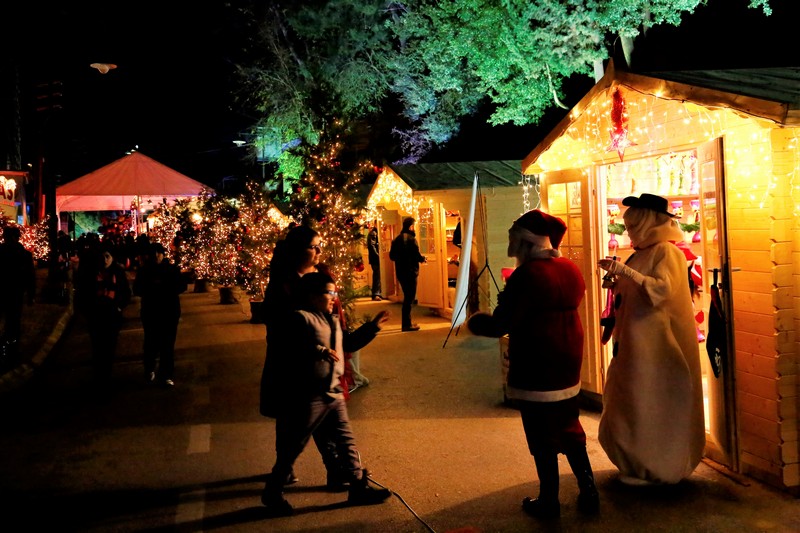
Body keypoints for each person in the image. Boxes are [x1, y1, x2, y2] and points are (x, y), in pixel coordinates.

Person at [467, 209, 599, 519]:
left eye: (514, 236)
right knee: (569, 423)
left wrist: (477, 324)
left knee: (540, 431)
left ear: (525, 242)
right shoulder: (570, 268)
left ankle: (549, 500)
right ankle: (589, 490)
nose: (509, 241)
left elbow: (503, 323)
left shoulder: (526, 275)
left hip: (538, 360)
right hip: (568, 358)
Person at [261, 271, 392, 516]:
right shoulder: (299, 318)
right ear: (311, 295)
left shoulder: (331, 319)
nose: (334, 297)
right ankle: (272, 492)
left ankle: (357, 486)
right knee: (293, 446)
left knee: (346, 441)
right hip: (309, 394)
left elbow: (348, 344)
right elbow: (290, 346)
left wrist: (372, 328)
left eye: (335, 292)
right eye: (328, 293)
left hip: (332, 391)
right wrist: (319, 350)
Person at [597, 193, 705, 486]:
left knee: (649, 401)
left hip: (654, 346)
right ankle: (634, 461)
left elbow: (661, 292)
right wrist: (619, 280)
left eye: (633, 226)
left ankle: (656, 465)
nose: (629, 232)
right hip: (634, 343)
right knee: (631, 400)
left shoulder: (668, 253)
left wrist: (624, 272)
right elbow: (637, 290)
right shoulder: (643, 252)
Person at [75, 240, 131, 387]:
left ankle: (105, 376)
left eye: (108, 256)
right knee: (98, 347)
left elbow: (125, 293)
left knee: (109, 347)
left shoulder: (118, 272)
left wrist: (119, 306)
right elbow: (83, 294)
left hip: (112, 315)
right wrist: (87, 311)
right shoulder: (91, 272)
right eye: (103, 256)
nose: (105, 259)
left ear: (112, 257)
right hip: (96, 316)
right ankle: (100, 377)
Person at [133, 242, 187, 387]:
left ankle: (166, 374)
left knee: (167, 345)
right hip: (151, 312)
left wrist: (166, 289)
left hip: (169, 311)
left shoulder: (171, 269)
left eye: (159, 253)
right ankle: (149, 369)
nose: (156, 256)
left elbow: (182, 286)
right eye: (154, 253)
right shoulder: (144, 271)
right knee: (151, 342)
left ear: (163, 254)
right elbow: (137, 289)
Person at [0, 226, 35, 365]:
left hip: (4, 291)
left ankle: (7, 348)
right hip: (15, 293)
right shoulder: (24, 254)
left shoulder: (2, 252)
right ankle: (12, 351)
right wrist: (31, 294)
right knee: (13, 322)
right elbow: (30, 276)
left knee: (9, 321)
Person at [389, 217, 426, 331]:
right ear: (410, 226)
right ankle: (406, 324)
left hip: (401, 271)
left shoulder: (396, 239)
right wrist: (422, 259)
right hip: (410, 271)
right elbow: (416, 255)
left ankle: (407, 322)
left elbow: (392, 256)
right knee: (409, 298)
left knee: (407, 296)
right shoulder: (411, 239)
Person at [367, 224, 382, 301]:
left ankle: (377, 293)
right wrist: (378, 255)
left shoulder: (374, 233)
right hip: (375, 259)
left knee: (377, 275)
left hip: (374, 258)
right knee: (377, 275)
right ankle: (376, 293)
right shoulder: (374, 233)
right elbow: (372, 246)